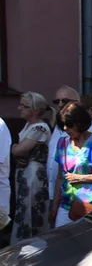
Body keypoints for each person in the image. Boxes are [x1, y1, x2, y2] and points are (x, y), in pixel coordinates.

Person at [50, 103, 92, 227]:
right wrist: (54, 207)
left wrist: (80, 178)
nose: (65, 128)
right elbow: (60, 177)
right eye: (62, 125)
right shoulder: (62, 143)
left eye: (69, 124)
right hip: (66, 204)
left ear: (80, 123)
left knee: (89, 243)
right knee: (61, 241)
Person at [47, 87, 92, 203]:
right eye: (56, 101)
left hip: (88, 199)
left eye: (64, 101)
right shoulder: (58, 127)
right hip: (62, 195)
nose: (59, 105)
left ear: (78, 103)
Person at [12, 92, 56, 240]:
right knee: (24, 209)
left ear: (36, 110)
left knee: (31, 210)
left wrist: (13, 148)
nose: (19, 108)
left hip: (33, 176)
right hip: (25, 173)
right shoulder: (29, 125)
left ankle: (31, 243)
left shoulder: (40, 128)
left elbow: (20, 150)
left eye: (24, 106)